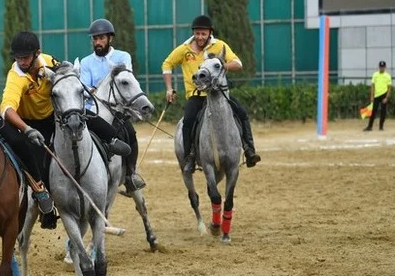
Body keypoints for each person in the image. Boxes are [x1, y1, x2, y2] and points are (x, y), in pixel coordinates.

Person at [0, 31, 131, 230]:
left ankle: (112, 139)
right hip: (31, 124)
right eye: (18, 58)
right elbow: (7, 109)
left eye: (25, 57)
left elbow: (65, 76)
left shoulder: (48, 60)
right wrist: (26, 129)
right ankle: (47, 206)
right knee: (39, 161)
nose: (22, 62)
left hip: (55, 115)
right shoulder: (16, 77)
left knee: (85, 115)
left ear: (37, 54)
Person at [163, 15, 261, 173]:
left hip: (219, 95)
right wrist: (169, 88)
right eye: (197, 33)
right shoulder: (184, 49)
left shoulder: (220, 46)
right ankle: (190, 157)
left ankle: (249, 150)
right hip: (196, 95)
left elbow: (238, 64)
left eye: (203, 34)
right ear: (194, 33)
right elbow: (167, 64)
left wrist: (223, 65)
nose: (200, 37)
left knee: (241, 112)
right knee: (188, 121)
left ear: (210, 33)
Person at [79, 18, 145, 196]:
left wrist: (97, 88)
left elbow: (125, 80)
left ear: (110, 38)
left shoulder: (123, 57)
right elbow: (84, 87)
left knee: (130, 134)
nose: (98, 42)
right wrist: (93, 90)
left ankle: (130, 175)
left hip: (118, 111)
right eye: (95, 39)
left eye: (101, 38)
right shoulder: (85, 62)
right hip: (93, 110)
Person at [364, 61, 392, 131]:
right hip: (376, 95)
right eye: (380, 67)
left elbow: (390, 88)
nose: (381, 68)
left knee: (383, 111)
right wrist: (371, 96)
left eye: (383, 67)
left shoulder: (387, 76)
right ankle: (370, 126)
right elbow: (372, 86)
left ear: (385, 67)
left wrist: (387, 97)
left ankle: (381, 126)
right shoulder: (375, 75)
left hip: (384, 94)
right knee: (373, 111)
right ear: (378, 67)